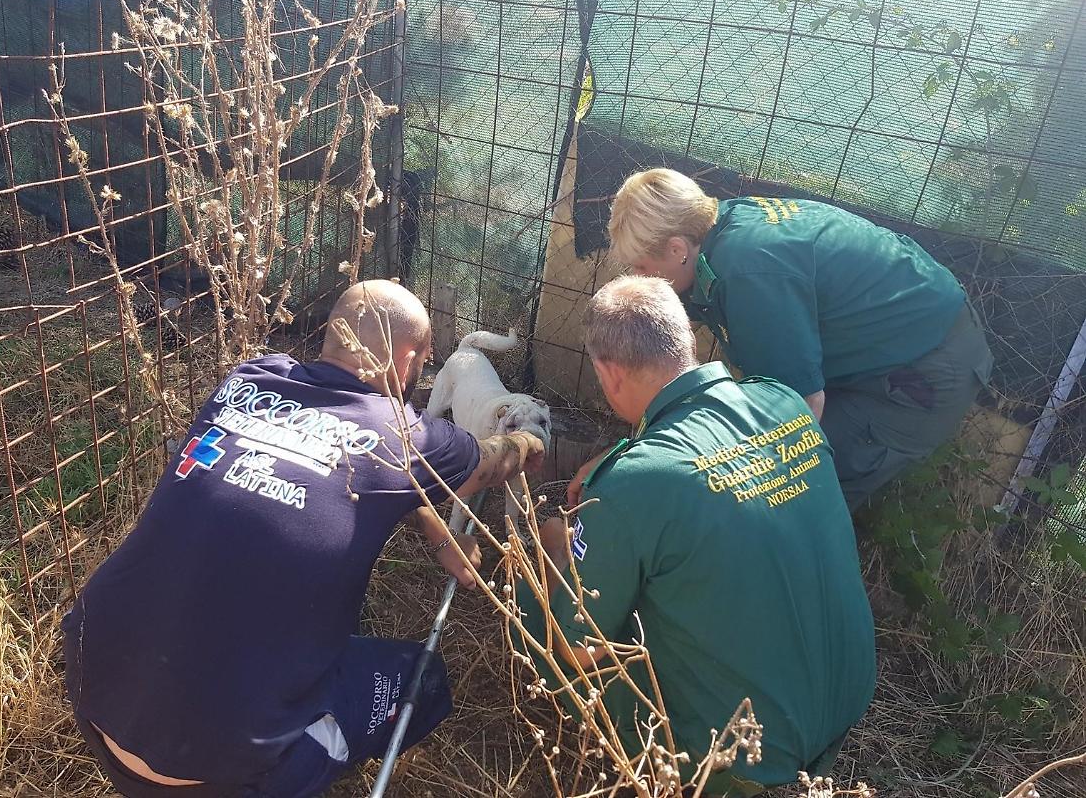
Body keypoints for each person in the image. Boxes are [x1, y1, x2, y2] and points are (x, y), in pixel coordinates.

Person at [61, 279, 545, 798]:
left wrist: (433, 530)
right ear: (407, 363)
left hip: (93, 690)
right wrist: (527, 439)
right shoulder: (405, 435)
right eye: (424, 364)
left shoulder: (248, 380)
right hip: (216, 774)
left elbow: (323, 470)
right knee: (421, 681)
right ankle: (301, 760)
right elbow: (491, 465)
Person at [525, 276, 876, 794]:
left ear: (607, 372)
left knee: (538, 611)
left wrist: (554, 546)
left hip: (742, 756)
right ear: (684, 339)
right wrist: (624, 452)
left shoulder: (633, 483)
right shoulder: (782, 402)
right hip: (844, 703)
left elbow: (576, 649)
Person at [605, 168, 995, 510]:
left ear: (677, 249)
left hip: (923, 372)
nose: (643, 279)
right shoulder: (725, 225)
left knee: (800, 486)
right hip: (894, 344)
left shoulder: (749, 273)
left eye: (643, 267)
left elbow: (799, 410)